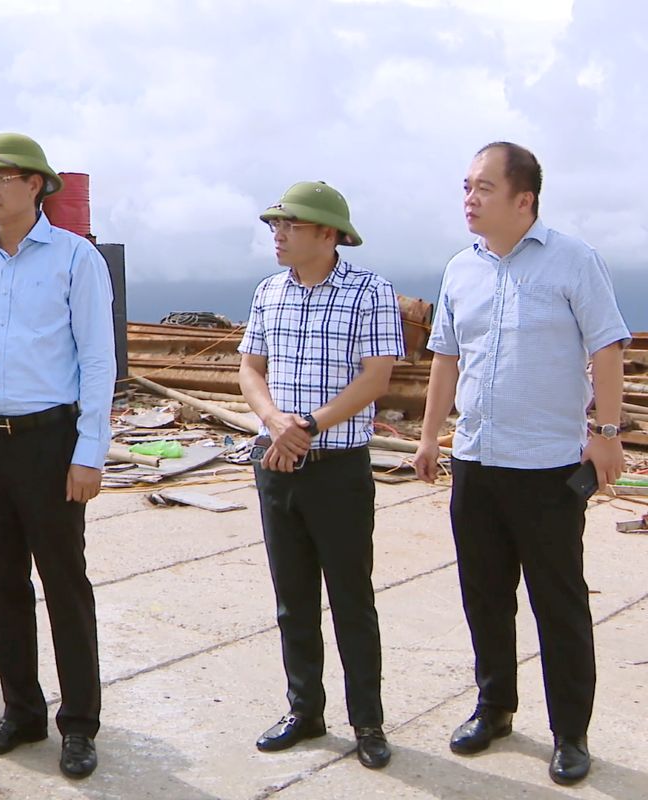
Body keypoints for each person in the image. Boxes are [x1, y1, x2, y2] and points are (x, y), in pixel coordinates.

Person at [413, 142, 629, 787]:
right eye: (465, 187)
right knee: (484, 595)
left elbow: (609, 347)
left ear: (523, 199)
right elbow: (446, 359)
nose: (469, 200)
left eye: (482, 188)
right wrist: (430, 438)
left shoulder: (573, 261)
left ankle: (571, 733)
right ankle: (494, 707)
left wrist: (607, 434)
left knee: (557, 602)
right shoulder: (460, 269)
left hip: (546, 468)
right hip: (476, 460)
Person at [0, 132, 116, 779]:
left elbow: (97, 359)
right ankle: (21, 710)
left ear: (36, 185)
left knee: (64, 584)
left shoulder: (73, 259)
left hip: (49, 443)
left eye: (0, 178)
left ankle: (79, 724)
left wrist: (90, 451)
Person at [239, 181, 404, 770]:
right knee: (293, 600)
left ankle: (368, 722)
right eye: (275, 226)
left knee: (351, 599)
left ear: (329, 234)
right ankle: (304, 710)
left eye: (291, 226)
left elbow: (376, 378)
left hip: (336, 468)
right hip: (277, 464)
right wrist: (273, 421)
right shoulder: (268, 294)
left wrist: (304, 425)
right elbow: (250, 368)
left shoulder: (369, 292)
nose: (278, 236)